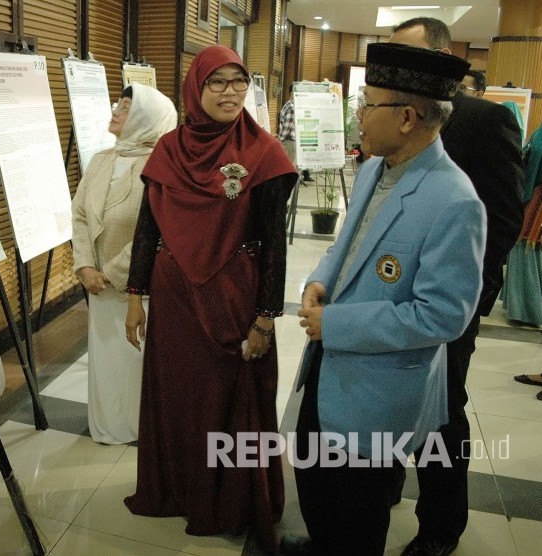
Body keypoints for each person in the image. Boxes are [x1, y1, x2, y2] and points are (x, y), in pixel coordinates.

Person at [289, 42, 485, 555]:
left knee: (356, 514)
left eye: (366, 103)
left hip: (376, 391)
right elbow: (348, 244)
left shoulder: (454, 200)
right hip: (326, 371)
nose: (358, 115)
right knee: (317, 492)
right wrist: (321, 276)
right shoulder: (376, 167)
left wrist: (338, 325)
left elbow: (444, 315)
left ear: (406, 117)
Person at [122, 45, 297, 552]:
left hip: (232, 299)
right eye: (216, 82)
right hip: (175, 302)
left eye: (238, 82)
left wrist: (265, 317)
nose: (229, 93)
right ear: (195, 90)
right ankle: (177, 490)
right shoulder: (168, 150)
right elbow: (146, 228)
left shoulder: (263, 153)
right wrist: (137, 294)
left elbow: (273, 245)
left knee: (227, 401)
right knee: (178, 399)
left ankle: (229, 502)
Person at [388, 17, 524, 556]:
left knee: (443, 410)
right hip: (389, 295)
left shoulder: (484, 121)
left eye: (408, 56)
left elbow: (503, 219)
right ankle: (385, 486)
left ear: (443, 58)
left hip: (448, 303)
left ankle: (441, 526)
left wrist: (466, 295)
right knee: (391, 396)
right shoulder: (392, 118)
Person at [71, 83, 177, 444]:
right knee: (105, 360)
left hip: (136, 288)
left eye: (126, 107)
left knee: (134, 360)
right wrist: (85, 265)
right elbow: (81, 215)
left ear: (146, 119)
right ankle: (106, 424)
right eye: (118, 104)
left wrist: (112, 273)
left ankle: (137, 426)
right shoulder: (102, 159)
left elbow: (157, 230)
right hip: (97, 286)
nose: (115, 111)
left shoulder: (162, 166)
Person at [279, 83, 312, 181]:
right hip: (288, 141)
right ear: (291, 93)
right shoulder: (292, 107)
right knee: (287, 167)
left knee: (286, 167)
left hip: (288, 141)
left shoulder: (288, 104)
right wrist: (280, 140)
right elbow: (286, 127)